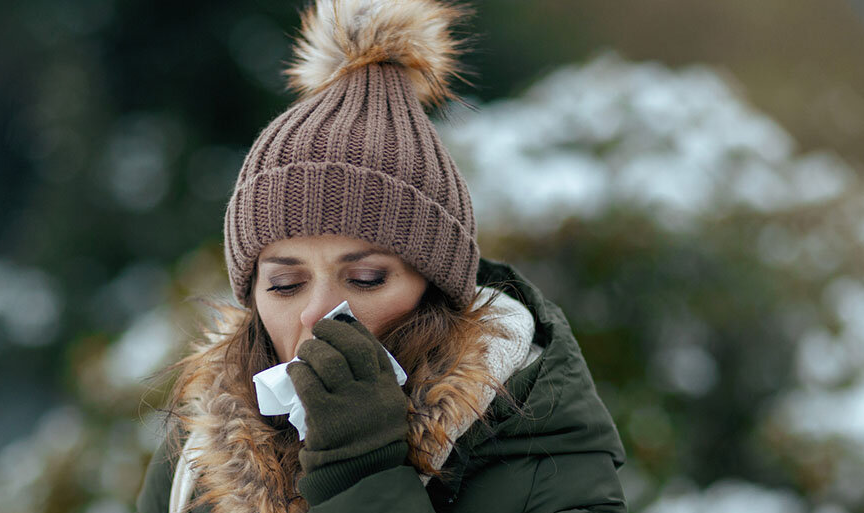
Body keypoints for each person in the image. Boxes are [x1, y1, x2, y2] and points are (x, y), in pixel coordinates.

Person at [136, 1, 627, 511]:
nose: (319, 312)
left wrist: (362, 476)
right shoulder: (195, 459)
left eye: (367, 277)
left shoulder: (544, 448)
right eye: (285, 284)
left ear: (435, 287)